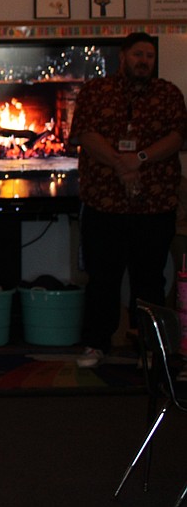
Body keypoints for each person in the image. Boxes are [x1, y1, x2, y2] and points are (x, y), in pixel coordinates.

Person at [70, 32, 187, 368]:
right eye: (138, 54)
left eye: (149, 56)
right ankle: (96, 345)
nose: (143, 61)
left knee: (149, 279)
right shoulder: (96, 91)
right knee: (102, 277)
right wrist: (122, 163)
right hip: (102, 204)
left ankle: (150, 350)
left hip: (155, 205)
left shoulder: (168, 93)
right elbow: (86, 135)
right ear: (123, 56)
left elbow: (177, 136)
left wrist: (141, 158)